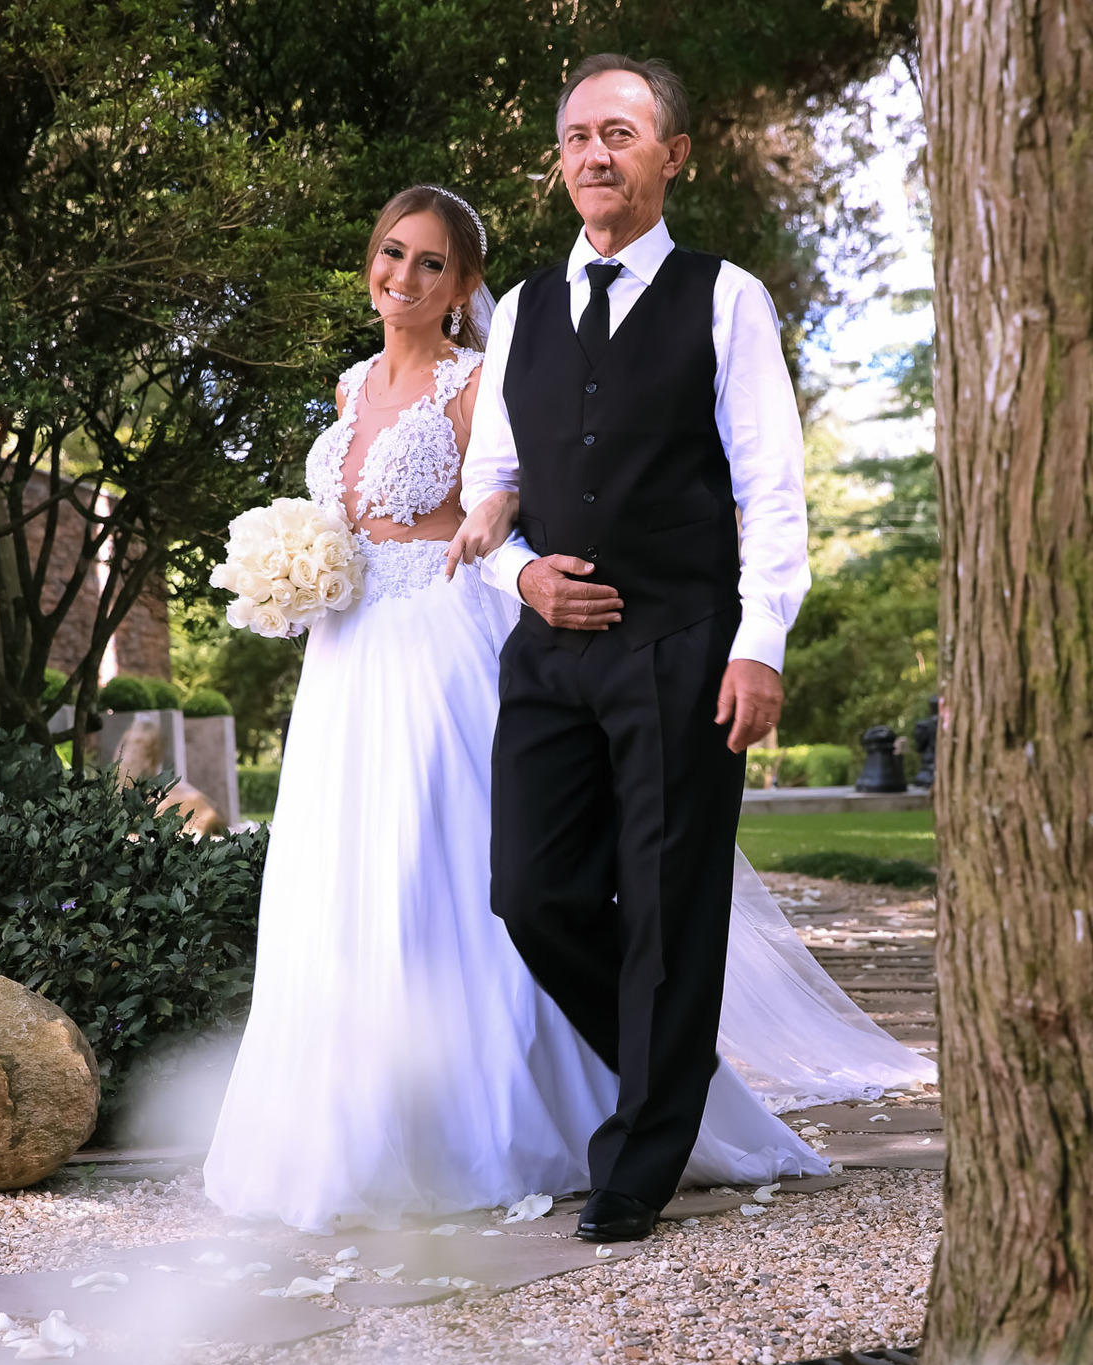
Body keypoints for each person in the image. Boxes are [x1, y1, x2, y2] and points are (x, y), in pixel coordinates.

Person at [203, 181, 930, 1236]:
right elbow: (370, 516)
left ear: (461, 289)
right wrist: (291, 584)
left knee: (461, 885)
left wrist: (740, 630)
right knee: (366, 889)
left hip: (441, 652)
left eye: (430, 263)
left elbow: (525, 491)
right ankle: (361, 1122)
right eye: (391, 253)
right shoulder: (350, 383)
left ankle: (576, 1109)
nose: (403, 276)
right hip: (346, 663)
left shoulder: (482, 373)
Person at [462, 53, 832, 1241]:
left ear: (672, 155)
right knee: (529, 891)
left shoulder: (726, 300)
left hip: (682, 641)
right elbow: (492, 481)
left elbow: (773, 490)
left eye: (618, 133)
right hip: (549, 650)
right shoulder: (519, 308)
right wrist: (523, 574)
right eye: (575, 137)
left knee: (669, 906)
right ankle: (674, 1056)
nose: (593, 155)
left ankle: (639, 1160)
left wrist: (759, 642)